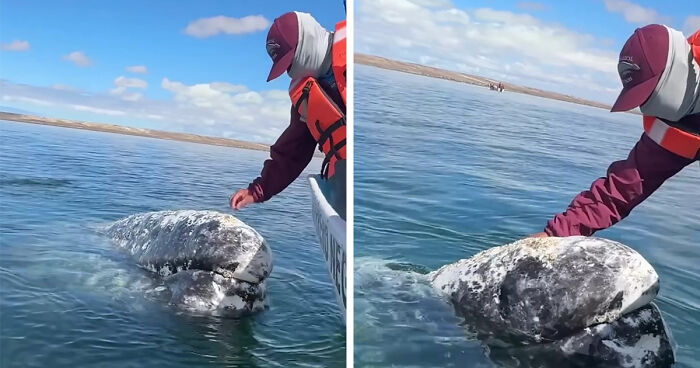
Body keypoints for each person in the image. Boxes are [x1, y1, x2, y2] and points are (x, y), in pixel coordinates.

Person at [533, 24, 699, 238]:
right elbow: (623, 188)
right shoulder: (672, 124)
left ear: (675, 74)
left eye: (650, 95)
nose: (646, 107)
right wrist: (554, 236)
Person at [229, 12, 347, 218]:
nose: (289, 72)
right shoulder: (308, 97)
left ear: (306, 45)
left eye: (290, 62)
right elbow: (292, 153)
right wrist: (257, 191)